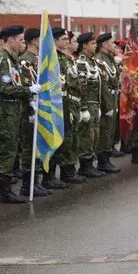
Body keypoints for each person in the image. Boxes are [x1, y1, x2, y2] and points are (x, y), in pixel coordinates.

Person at [0, 26, 40, 203]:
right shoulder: (2, 60)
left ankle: (5, 189)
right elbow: (3, 88)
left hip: (13, 110)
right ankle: (3, 191)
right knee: (7, 150)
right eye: (20, 40)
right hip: (4, 111)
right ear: (10, 40)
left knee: (11, 148)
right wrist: (27, 89)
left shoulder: (12, 60)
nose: (22, 43)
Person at [17, 27, 55, 197]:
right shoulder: (26, 60)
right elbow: (26, 87)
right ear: (33, 40)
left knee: (39, 144)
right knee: (29, 147)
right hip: (30, 110)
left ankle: (36, 182)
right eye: (41, 38)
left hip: (43, 108)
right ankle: (27, 185)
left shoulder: (40, 59)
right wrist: (31, 110)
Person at [52, 29, 86, 185]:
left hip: (73, 102)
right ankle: (65, 171)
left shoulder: (68, 59)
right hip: (62, 103)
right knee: (66, 138)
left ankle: (71, 168)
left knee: (73, 137)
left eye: (68, 39)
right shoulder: (55, 59)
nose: (67, 41)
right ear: (55, 40)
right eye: (64, 38)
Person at [74, 32, 105, 178]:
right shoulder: (82, 62)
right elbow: (82, 86)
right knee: (87, 135)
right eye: (92, 43)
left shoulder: (92, 61)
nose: (95, 45)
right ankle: (85, 165)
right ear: (84, 45)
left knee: (95, 134)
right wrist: (84, 107)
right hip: (88, 104)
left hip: (95, 103)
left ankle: (90, 163)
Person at [94, 33, 122, 175]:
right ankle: (102, 161)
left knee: (110, 130)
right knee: (105, 130)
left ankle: (107, 159)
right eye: (112, 43)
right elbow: (103, 85)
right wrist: (108, 105)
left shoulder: (109, 59)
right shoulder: (100, 60)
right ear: (105, 45)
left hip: (114, 96)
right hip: (107, 99)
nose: (115, 46)